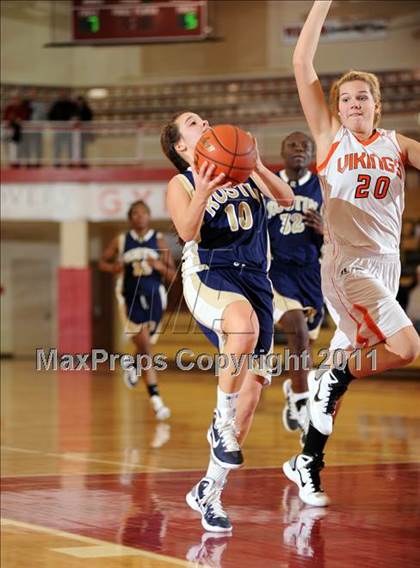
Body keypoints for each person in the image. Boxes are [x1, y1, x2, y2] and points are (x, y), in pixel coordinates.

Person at [282, 0, 420, 508]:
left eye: (364, 97)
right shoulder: (328, 139)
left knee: (332, 394)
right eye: (347, 98)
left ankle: (306, 462)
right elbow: (302, 64)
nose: (356, 104)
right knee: (407, 348)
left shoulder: (397, 145)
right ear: (337, 109)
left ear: (377, 106)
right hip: (346, 267)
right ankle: (333, 373)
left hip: (386, 265)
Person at [161, 112, 294, 532]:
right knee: (242, 325)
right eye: (193, 123)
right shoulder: (180, 183)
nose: (204, 123)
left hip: (256, 277)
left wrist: (255, 164)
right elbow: (186, 230)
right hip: (209, 273)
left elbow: (287, 197)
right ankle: (220, 423)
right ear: (182, 147)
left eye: (203, 119)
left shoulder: (243, 169)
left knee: (251, 397)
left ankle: (209, 490)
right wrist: (202, 189)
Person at [266, 131, 324, 444]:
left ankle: (294, 388)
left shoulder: (323, 186)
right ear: (283, 151)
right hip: (277, 271)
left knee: (305, 345)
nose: (299, 149)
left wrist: (326, 230)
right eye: (293, 145)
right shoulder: (268, 186)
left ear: (312, 153)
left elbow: (340, 232)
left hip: (311, 273)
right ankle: (303, 406)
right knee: (298, 330)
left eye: (306, 146)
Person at [99, 200, 176, 421]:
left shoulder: (158, 239)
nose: (140, 216)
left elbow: (173, 275)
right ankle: (157, 400)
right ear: (130, 218)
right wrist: (114, 267)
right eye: (135, 213)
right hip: (129, 296)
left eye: (143, 213)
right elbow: (103, 263)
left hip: (155, 298)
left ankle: (132, 364)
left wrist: (160, 266)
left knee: (145, 346)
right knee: (146, 347)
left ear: (149, 217)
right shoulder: (121, 240)